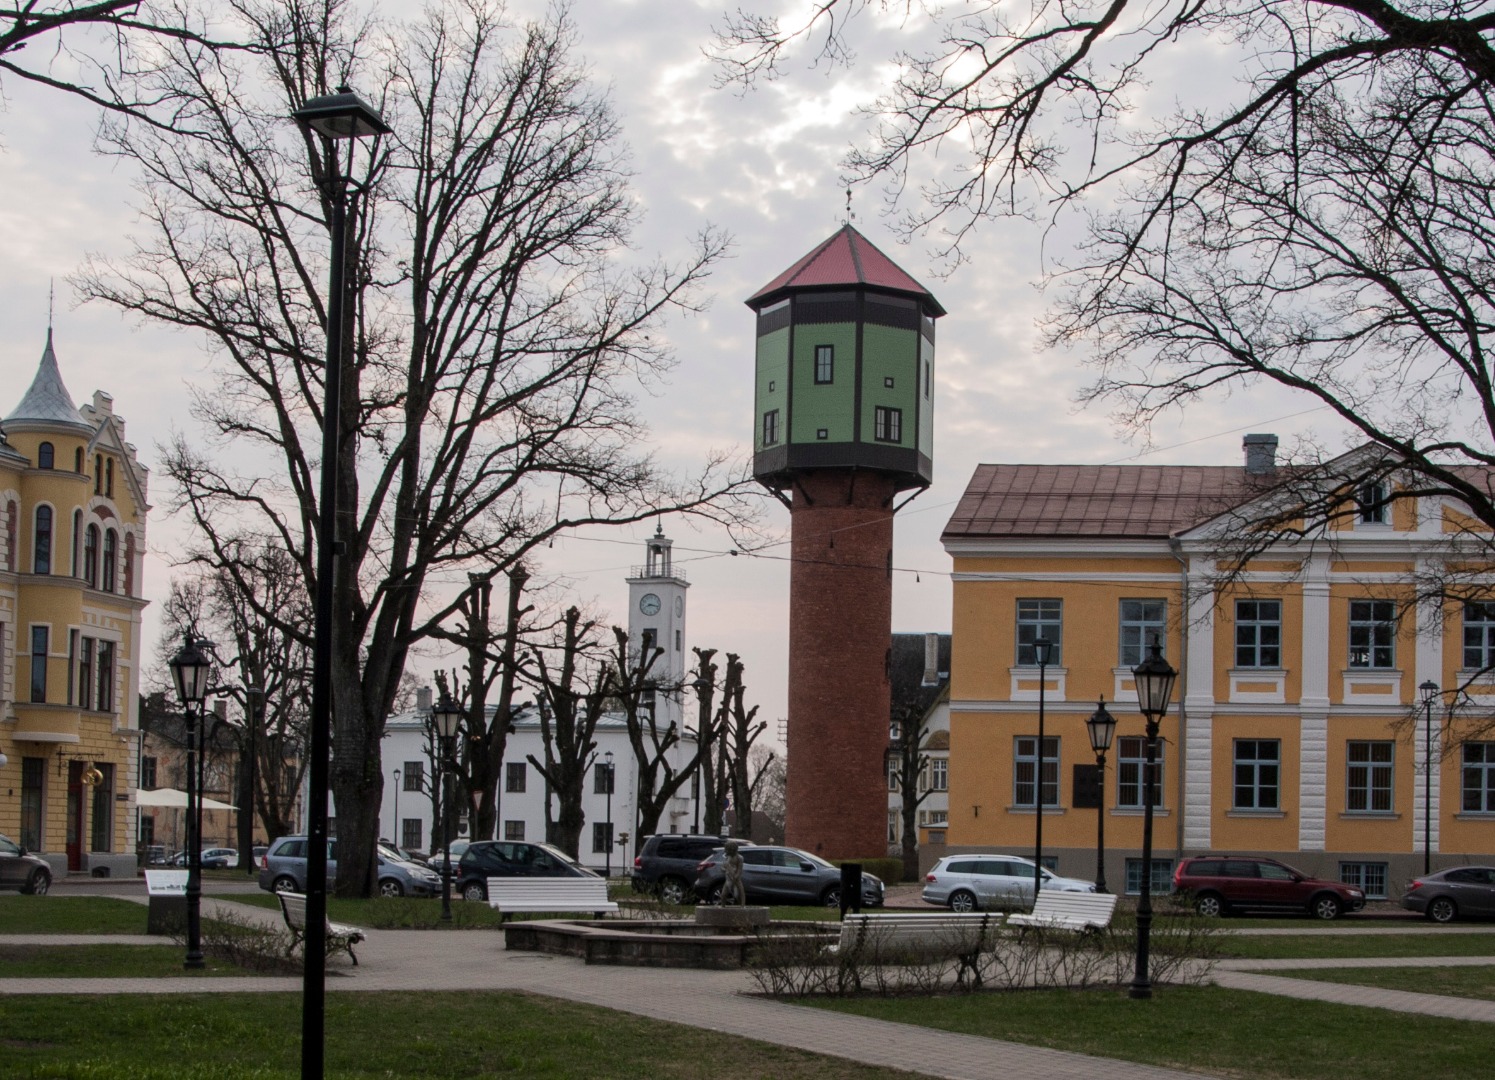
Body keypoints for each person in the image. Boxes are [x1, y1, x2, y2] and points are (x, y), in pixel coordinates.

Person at [717, 839, 746, 906]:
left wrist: (736, 877)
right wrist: (725, 869)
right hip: (728, 878)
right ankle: (722, 906)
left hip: (736, 878)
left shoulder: (739, 858)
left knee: (740, 893)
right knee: (723, 894)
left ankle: (742, 906)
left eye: (727, 849)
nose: (726, 851)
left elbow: (739, 869)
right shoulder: (727, 857)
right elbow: (723, 867)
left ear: (732, 849)